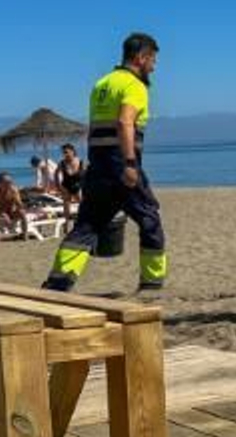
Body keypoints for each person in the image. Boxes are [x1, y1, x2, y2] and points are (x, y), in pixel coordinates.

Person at [44, 34, 166, 291]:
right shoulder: (134, 85)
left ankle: (58, 283)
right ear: (141, 58)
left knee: (87, 225)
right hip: (121, 163)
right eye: (153, 60)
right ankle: (151, 285)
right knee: (149, 218)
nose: (154, 66)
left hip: (97, 165)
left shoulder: (102, 84)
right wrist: (130, 164)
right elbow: (125, 122)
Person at [0, 172, 29, 241]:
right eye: (7, 182)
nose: (10, 184)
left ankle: (25, 235)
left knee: (22, 212)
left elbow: (20, 205)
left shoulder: (13, 190)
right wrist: (1, 214)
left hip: (11, 212)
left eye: (11, 182)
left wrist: (16, 197)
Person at [55, 143, 84, 222]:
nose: (65, 154)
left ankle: (84, 220)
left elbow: (88, 173)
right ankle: (67, 223)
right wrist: (58, 185)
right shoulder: (62, 163)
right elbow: (56, 173)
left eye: (67, 152)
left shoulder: (80, 161)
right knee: (66, 205)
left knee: (82, 204)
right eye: (64, 153)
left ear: (72, 151)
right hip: (66, 186)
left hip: (78, 185)